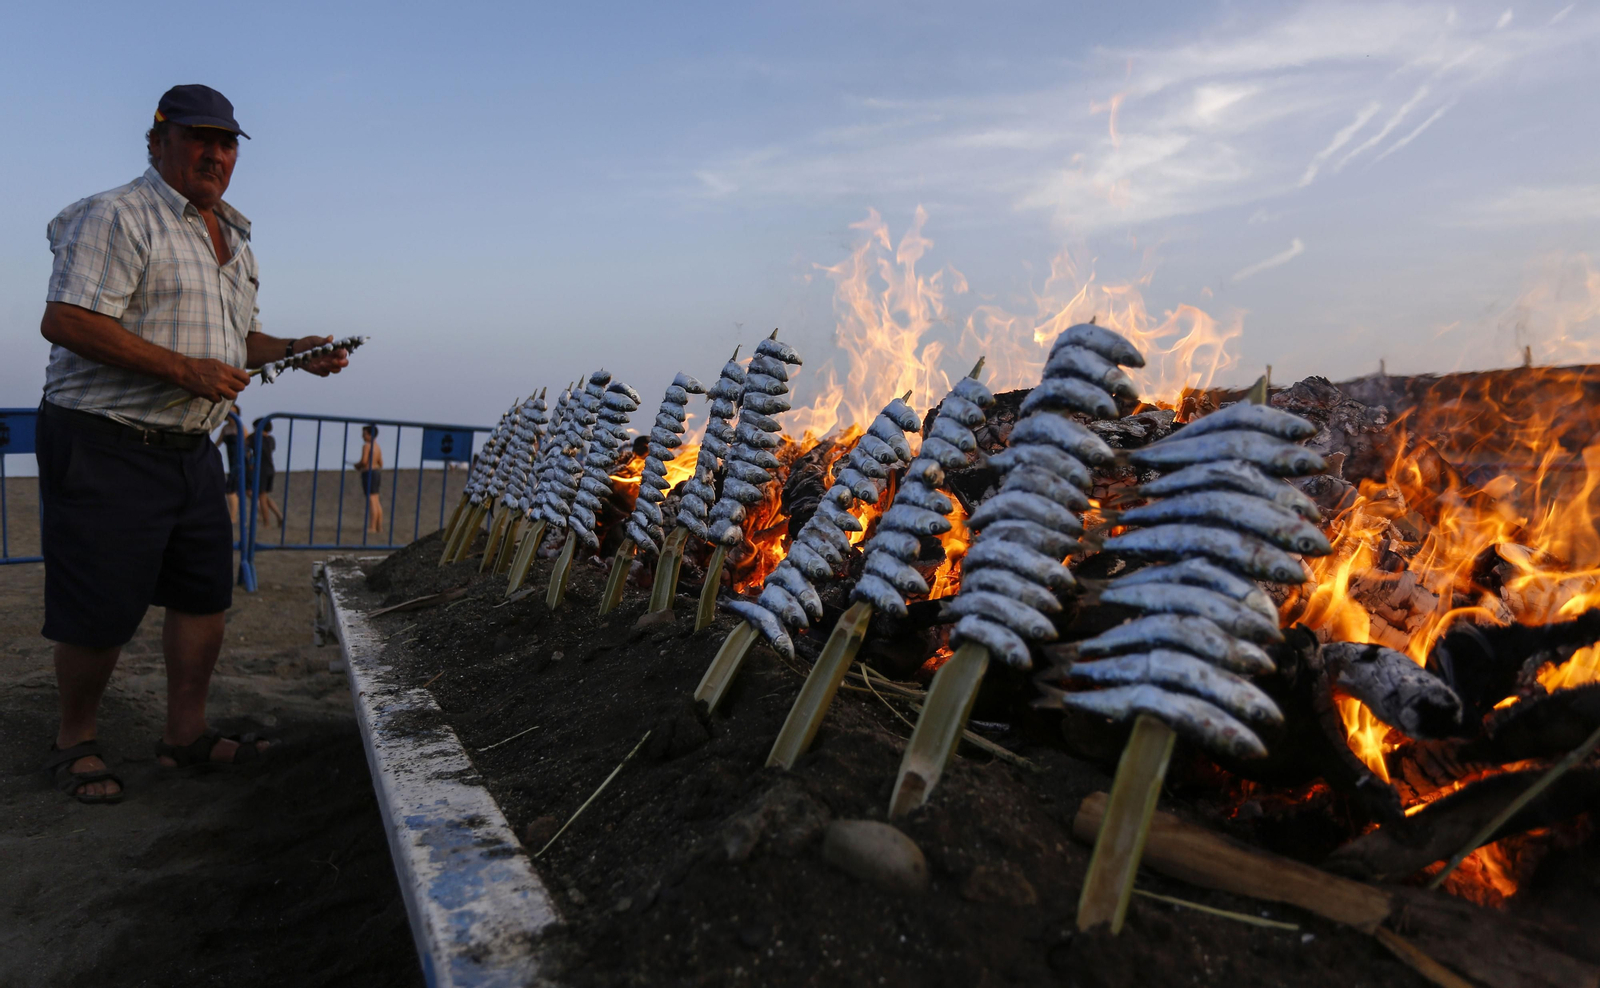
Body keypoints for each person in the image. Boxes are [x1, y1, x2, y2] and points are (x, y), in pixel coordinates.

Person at [37, 85, 348, 803]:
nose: (215, 153)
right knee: (100, 605)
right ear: (158, 142)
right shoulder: (115, 215)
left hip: (191, 445)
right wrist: (185, 370)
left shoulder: (233, 238)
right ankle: (73, 741)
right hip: (106, 440)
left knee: (204, 594)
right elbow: (67, 321)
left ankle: (185, 736)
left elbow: (234, 341)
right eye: (198, 137)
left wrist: (296, 350)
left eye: (227, 142)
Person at [250, 418, 284, 528]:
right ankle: (279, 515)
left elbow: (245, 446)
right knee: (264, 495)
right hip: (270, 468)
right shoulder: (270, 439)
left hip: (261, 469)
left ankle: (267, 523)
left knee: (262, 497)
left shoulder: (255, 438)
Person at [217, 404, 244, 524]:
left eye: (234, 413)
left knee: (230, 490)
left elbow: (247, 444)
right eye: (229, 412)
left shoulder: (240, 427)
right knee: (246, 491)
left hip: (240, 461)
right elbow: (217, 443)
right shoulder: (225, 429)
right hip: (231, 460)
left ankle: (232, 518)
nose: (231, 415)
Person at [356, 423, 384, 534]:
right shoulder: (378, 447)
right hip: (377, 472)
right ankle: (379, 526)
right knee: (376, 500)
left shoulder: (367, 446)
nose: (363, 436)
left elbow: (364, 461)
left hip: (369, 473)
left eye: (364, 434)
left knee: (372, 500)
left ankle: (372, 527)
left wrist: (357, 466)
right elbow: (380, 462)